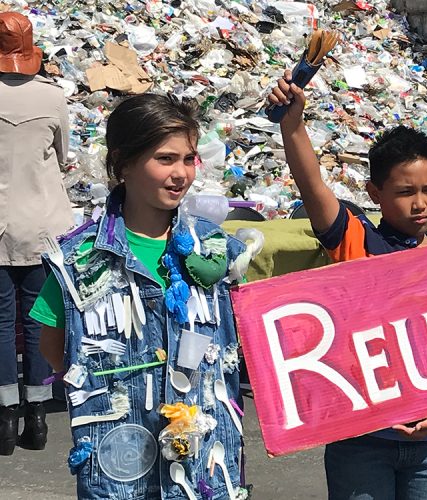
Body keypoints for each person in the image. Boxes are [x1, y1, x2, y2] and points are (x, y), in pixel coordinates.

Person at [31, 94, 249, 499]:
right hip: (121, 472)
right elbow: (53, 344)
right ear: (124, 163)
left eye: (188, 159)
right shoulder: (79, 261)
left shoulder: (217, 252)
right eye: (165, 159)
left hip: (204, 470)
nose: (180, 174)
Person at [269, 71, 427, 500]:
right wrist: (293, 124)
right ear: (374, 192)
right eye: (404, 191)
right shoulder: (356, 241)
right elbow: (311, 183)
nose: (419, 203)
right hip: (360, 441)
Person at [0, 11, 74, 456]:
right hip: (41, 224)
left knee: (0, 322)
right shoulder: (51, 97)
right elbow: (63, 155)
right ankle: (39, 417)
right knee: (37, 319)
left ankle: (5, 420)